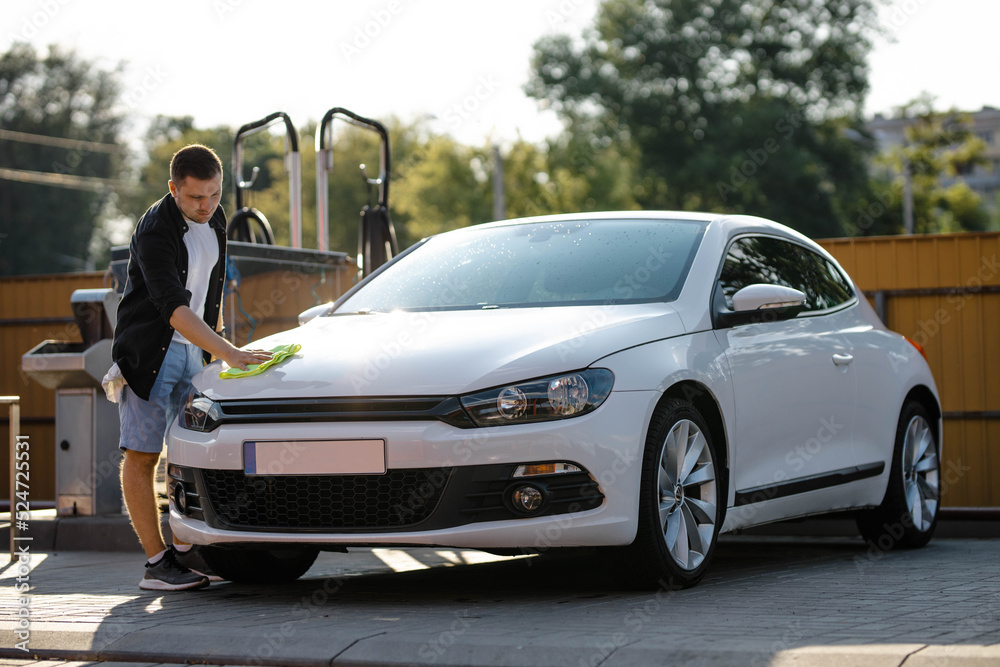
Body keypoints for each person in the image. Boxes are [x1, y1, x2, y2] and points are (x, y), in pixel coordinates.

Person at [111, 144, 271, 590]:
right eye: (195, 198)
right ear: (173, 189)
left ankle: (186, 548)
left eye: (215, 195)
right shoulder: (154, 231)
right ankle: (156, 564)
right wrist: (230, 353)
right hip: (149, 354)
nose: (206, 206)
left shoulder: (215, 219)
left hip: (193, 352)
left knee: (189, 452)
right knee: (142, 455)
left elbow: (210, 292)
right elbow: (173, 308)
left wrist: (214, 351)